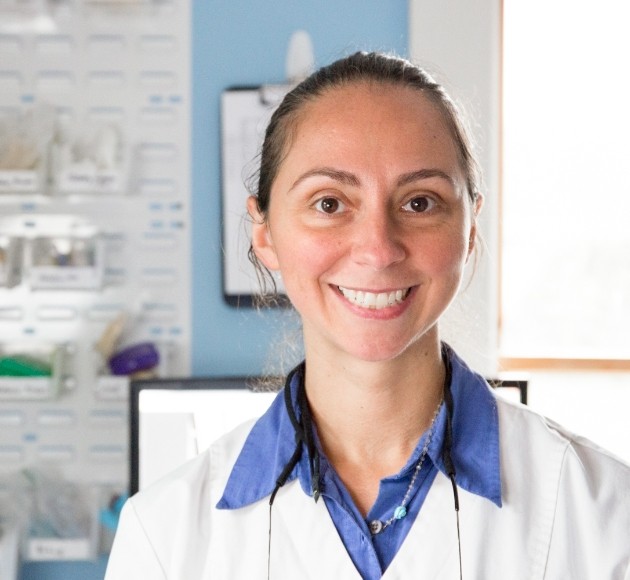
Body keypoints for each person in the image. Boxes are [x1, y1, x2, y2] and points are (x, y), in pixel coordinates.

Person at [105, 52, 630, 579]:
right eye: (329, 203)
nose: (378, 249)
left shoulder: (605, 515)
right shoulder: (164, 536)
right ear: (263, 233)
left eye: (420, 203)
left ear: (470, 230)